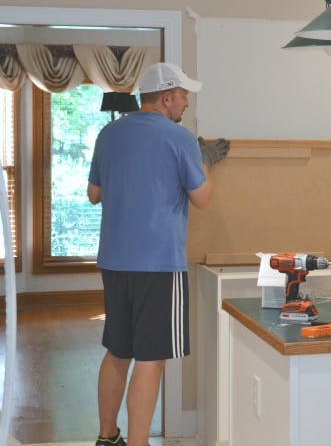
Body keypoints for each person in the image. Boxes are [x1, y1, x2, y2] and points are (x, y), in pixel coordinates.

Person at [88, 62, 231, 446]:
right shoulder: (179, 138)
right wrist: (203, 159)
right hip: (158, 264)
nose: (186, 103)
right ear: (166, 97)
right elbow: (201, 199)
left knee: (118, 351)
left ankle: (108, 437)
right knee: (151, 357)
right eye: (184, 95)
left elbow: (94, 194)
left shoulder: (108, 133)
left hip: (115, 261)